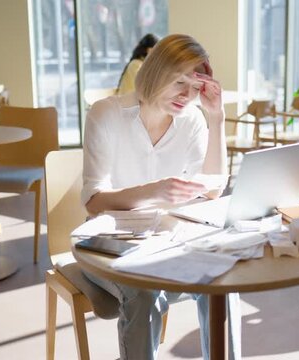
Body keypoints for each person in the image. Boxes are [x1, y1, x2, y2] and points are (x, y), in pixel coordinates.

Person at [82, 34, 241, 360]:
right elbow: (94, 201)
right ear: (155, 71)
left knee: (224, 283)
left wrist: (217, 118)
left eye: (195, 86)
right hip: (107, 246)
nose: (187, 95)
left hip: (167, 242)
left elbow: (212, 188)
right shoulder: (106, 114)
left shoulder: (192, 119)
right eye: (179, 82)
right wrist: (154, 191)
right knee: (143, 293)